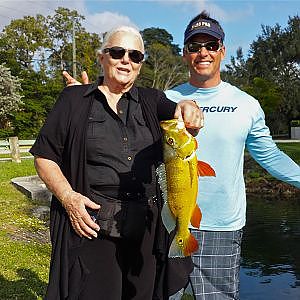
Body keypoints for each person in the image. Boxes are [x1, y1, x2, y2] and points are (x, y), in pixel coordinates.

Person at [66, 11, 300, 300]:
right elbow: (120, 134)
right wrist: (85, 101)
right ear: (184, 54)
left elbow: (271, 157)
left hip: (222, 229)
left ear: (222, 51)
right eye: (194, 46)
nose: (203, 52)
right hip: (167, 222)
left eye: (211, 45)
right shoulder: (164, 100)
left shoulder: (246, 104)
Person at [30, 26, 202, 300]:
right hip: (93, 223)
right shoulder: (74, 100)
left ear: (140, 64)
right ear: (102, 57)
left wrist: (190, 105)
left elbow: (182, 112)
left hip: (146, 224)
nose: (126, 60)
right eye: (118, 52)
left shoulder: (152, 100)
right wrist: (68, 197)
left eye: (135, 56)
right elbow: (45, 157)